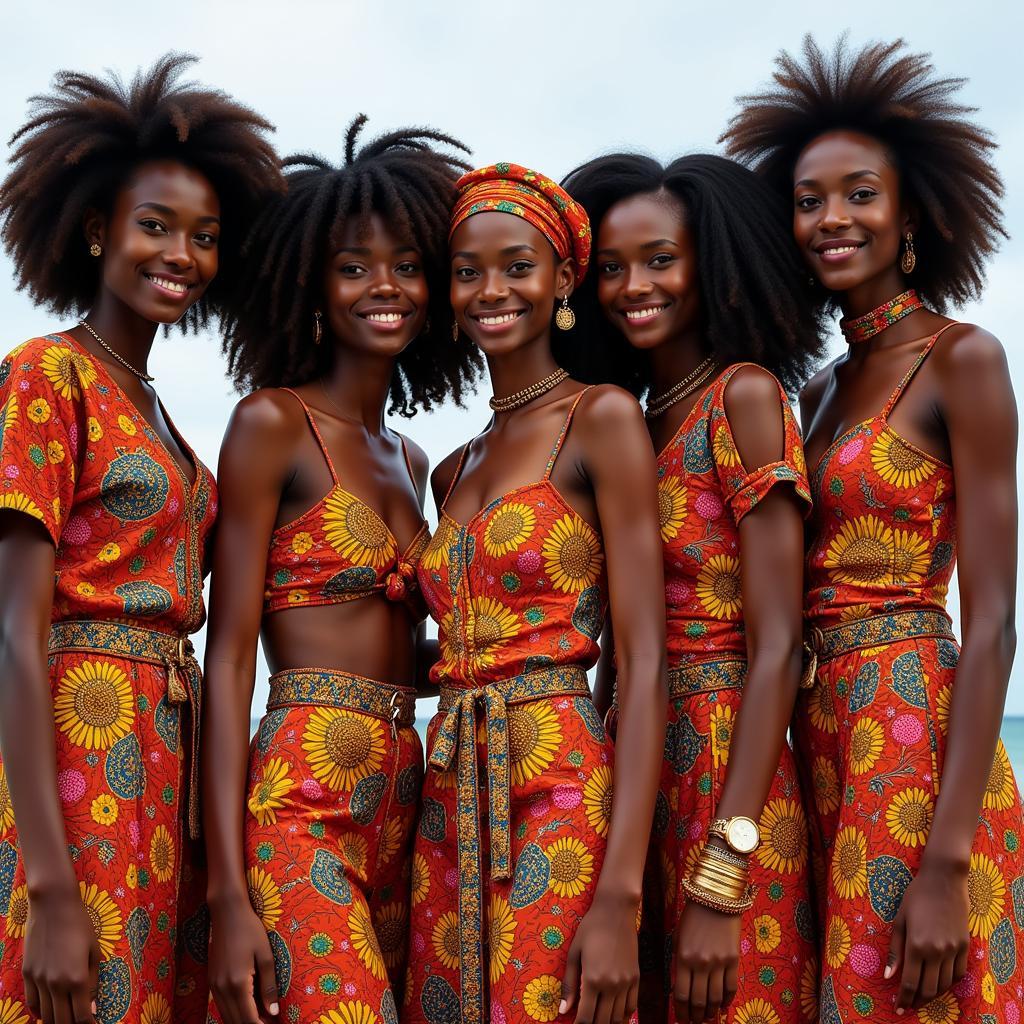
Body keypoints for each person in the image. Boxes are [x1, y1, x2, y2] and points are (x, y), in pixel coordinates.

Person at [724, 36, 1023, 1020]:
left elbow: (989, 625)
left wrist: (944, 864)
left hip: (917, 735)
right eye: (807, 201)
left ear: (912, 215)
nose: (830, 219)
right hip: (816, 740)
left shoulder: (962, 361)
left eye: (859, 194)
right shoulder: (809, 392)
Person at [0, 55, 280, 1024]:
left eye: (204, 237)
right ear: (94, 231)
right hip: (80, 753)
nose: (183, 254)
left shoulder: (160, 412)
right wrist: (47, 886)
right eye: (155, 226)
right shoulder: (47, 377)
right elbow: (12, 634)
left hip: (168, 762)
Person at [202, 116, 478, 1024]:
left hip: (416, 799)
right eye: (354, 267)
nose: (384, 286)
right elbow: (231, 651)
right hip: (301, 800)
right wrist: (227, 894)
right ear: (314, 288)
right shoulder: (271, 424)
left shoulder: (417, 457)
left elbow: (406, 641)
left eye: (405, 264)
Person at [563, 152, 824, 1024]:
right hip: (637, 768)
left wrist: (726, 866)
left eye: (660, 260)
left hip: (726, 766)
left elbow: (780, 645)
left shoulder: (741, 396)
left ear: (711, 263)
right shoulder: (632, 421)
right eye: (611, 267)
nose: (634, 284)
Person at [404, 163, 667, 1024]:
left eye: (517, 266)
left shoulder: (602, 418)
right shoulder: (453, 466)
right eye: (469, 271)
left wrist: (621, 896)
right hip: (448, 788)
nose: (492, 290)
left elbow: (645, 659)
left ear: (562, 280)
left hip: (558, 779)